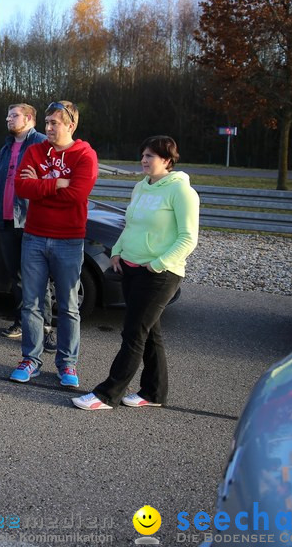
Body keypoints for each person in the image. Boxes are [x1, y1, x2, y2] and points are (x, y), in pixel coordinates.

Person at [71, 136, 199, 410]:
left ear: (167, 159)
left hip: (159, 274)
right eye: (143, 155)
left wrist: (157, 263)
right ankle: (154, 393)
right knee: (150, 333)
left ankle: (107, 394)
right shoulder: (141, 187)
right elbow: (131, 225)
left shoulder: (181, 191)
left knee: (133, 334)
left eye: (150, 155)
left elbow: (189, 238)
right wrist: (117, 250)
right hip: (130, 268)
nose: (144, 160)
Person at [10, 100, 98, 388]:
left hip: (69, 239)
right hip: (34, 236)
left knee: (69, 306)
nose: (47, 128)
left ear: (71, 125)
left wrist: (43, 185)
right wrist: (58, 183)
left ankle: (67, 364)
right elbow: (22, 188)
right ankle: (30, 360)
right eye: (46, 122)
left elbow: (77, 193)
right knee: (31, 303)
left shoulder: (85, 155)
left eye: (54, 123)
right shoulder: (35, 150)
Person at [0, 104, 53, 346]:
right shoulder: (6, 146)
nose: (8, 118)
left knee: (38, 277)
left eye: (14, 115)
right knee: (15, 275)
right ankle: (22, 321)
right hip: (6, 219)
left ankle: (47, 329)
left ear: (29, 118)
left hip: (30, 220)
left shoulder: (41, 143)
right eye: (8, 114)